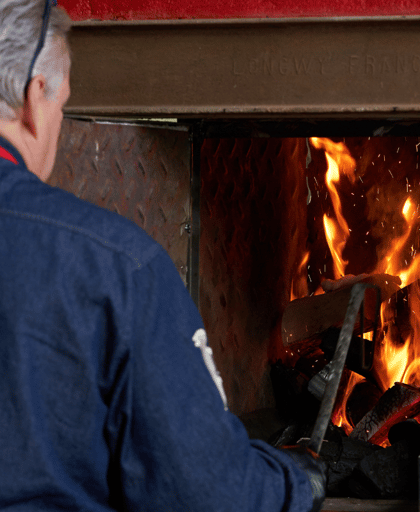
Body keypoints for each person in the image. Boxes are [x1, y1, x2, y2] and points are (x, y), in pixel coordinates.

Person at [0, 1, 326, 510]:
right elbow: (206, 492)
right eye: (62, 105)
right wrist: (294, 483)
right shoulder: (115, 266)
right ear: (33, 96)